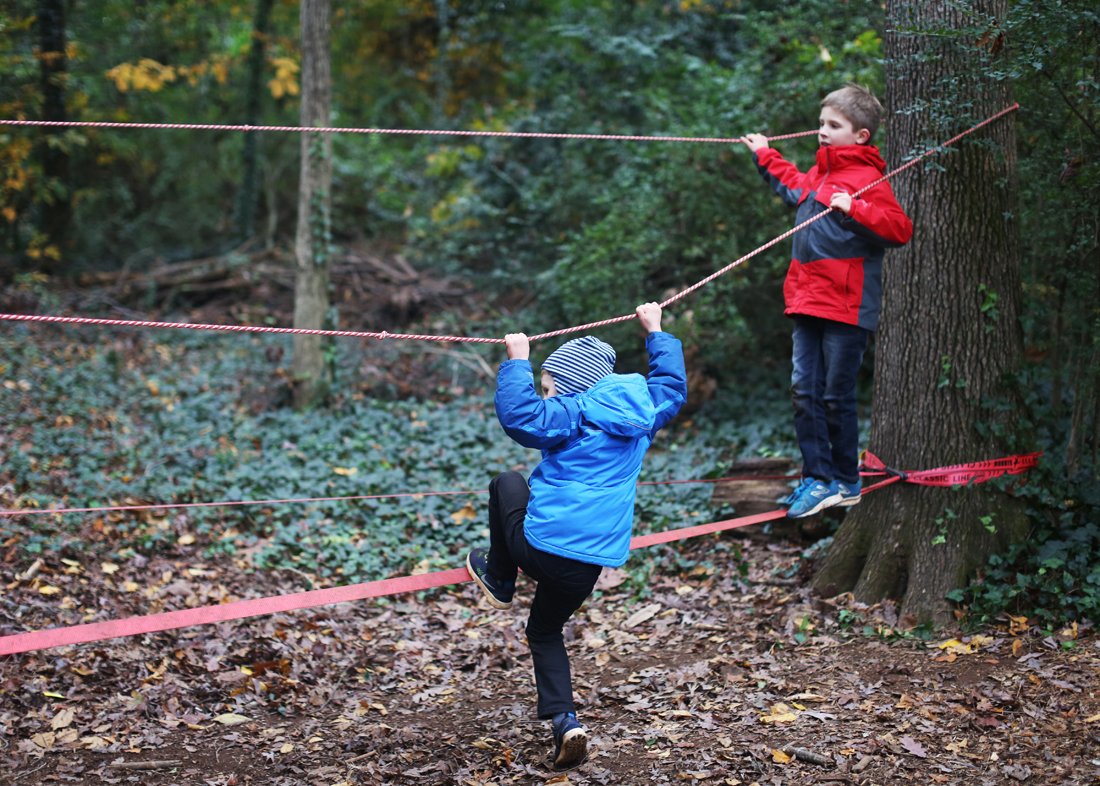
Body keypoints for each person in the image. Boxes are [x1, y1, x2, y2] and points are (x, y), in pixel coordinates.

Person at [466, 302, 687, 770]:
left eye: (549, 389)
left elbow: (520, 417)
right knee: (543, 630)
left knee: (507, 482)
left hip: (541, 547)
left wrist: (518, 362)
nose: (546, 398)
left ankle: (500, 578)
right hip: (587, 565)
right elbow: (670, 388)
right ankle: (566, 723)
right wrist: (656, 332)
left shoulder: (574, 413)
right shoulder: (642, 416)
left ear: (570, 387)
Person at [739, 84, 913, 519]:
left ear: (860, 136)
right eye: (821, 123)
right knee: (804, 392)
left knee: (836, 396)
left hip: (846, 307)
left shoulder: (867, 179)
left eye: (833, 125)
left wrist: (855, 209)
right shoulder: (819, 174)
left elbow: (899, 229)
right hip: (806, 301)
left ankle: (846, 481)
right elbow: (793, 185)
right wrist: (765, 153)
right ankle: (817, 479)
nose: (822, 131)